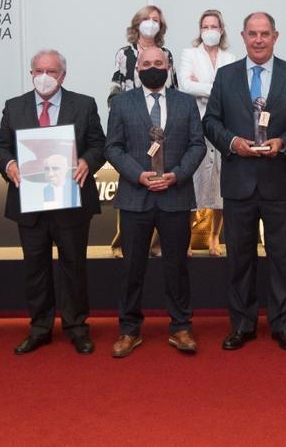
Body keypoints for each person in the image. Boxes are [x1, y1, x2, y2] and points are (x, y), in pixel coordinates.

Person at [203, 11, 286, 352]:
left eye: (265, 33)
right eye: (252, 33)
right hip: (238, 180)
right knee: (239, 258)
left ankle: (283, 326)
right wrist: (232, 142)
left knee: (281, 257)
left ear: (276, 36)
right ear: (242, 36)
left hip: (278, 179)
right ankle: (242, 325)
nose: (258, 39)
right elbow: (210, 121)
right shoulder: (226, 76)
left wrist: (285, 143)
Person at [0, 49, 106, 356]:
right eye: (38, 71)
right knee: (35, 268)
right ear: (31, 73)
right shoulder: (14, 106)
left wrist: (86, 161)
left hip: (71, 200)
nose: (44, 77)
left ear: (63, 75)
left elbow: (99, 143)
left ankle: (77, 327)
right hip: (29, 202)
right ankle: (40, 327)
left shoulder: (83, 105)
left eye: (52, 71)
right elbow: (0, 148)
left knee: (74, 267)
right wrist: (9, 166)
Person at [105, 46, 207, 357]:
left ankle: (180, 327)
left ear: (169, 67)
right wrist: (138, 175)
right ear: (137, 69)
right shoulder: (121, 103)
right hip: (136, 196)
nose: (152, 67)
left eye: (158, 63)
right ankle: (128, 329)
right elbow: (113, 147)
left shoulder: (186, 102)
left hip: (175, 195)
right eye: (146, 63)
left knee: (177, 266)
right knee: (131, 267)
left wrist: (177, 174)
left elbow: (197, 145)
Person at [108, 4, 176, 258]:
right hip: (132, 125)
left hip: (162, 125)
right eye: (147, 19)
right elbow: (116, 88)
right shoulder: (125, 53)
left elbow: (175, 87)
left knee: (161, 182)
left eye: (156, 19)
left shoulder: (167, 53)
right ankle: (121, 244)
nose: (151, 23)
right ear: (137, 24)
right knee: (131, 187)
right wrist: (121, 117)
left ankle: (157, 246)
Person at [177, 9, 238, 256]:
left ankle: (214, 239)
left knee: (221, 186)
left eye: (214, 26)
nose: (210, 30)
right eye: (205, 26)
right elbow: (185, 85)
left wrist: (203, 88)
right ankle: (188, 239)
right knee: (193, 183)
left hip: (223, 128)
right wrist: (217, 89)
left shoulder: (231, 57)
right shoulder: (189, 54)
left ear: (221, 30)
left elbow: (233, 92)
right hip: (195, 127)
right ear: (200, 29)